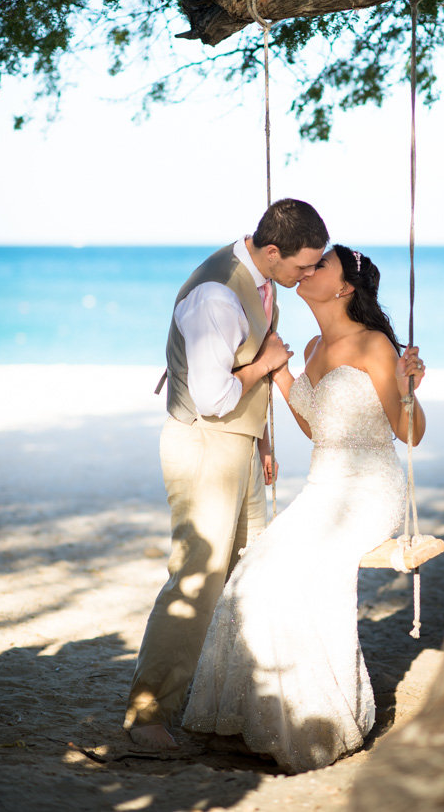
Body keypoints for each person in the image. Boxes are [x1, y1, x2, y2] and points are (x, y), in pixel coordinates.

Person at [182, 244, 426, 772]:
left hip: (368, 486)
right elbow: (317, 427)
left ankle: (321, 723)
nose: (308, 270)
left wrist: (410, 390)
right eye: (308, 264)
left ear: (344, 287)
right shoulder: (313, 344)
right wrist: (280, 370)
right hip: (322, 487)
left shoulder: (374, 344)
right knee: (253, 576)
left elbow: (411, 434)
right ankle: (257, 718)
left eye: (321, 265)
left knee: (306, 577)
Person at [123, 198, 329, 749]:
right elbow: (213, 396)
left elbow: (239, 383)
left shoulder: (262, 285)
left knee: (249, 571)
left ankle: (230, 703)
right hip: (204, 445)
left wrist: (261, 436)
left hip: (239, 445)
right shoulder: (217, 295)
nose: (307, 275)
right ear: (270, 251)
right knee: (198, 576)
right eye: (303, 265)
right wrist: (268, 364)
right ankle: (147, 717)